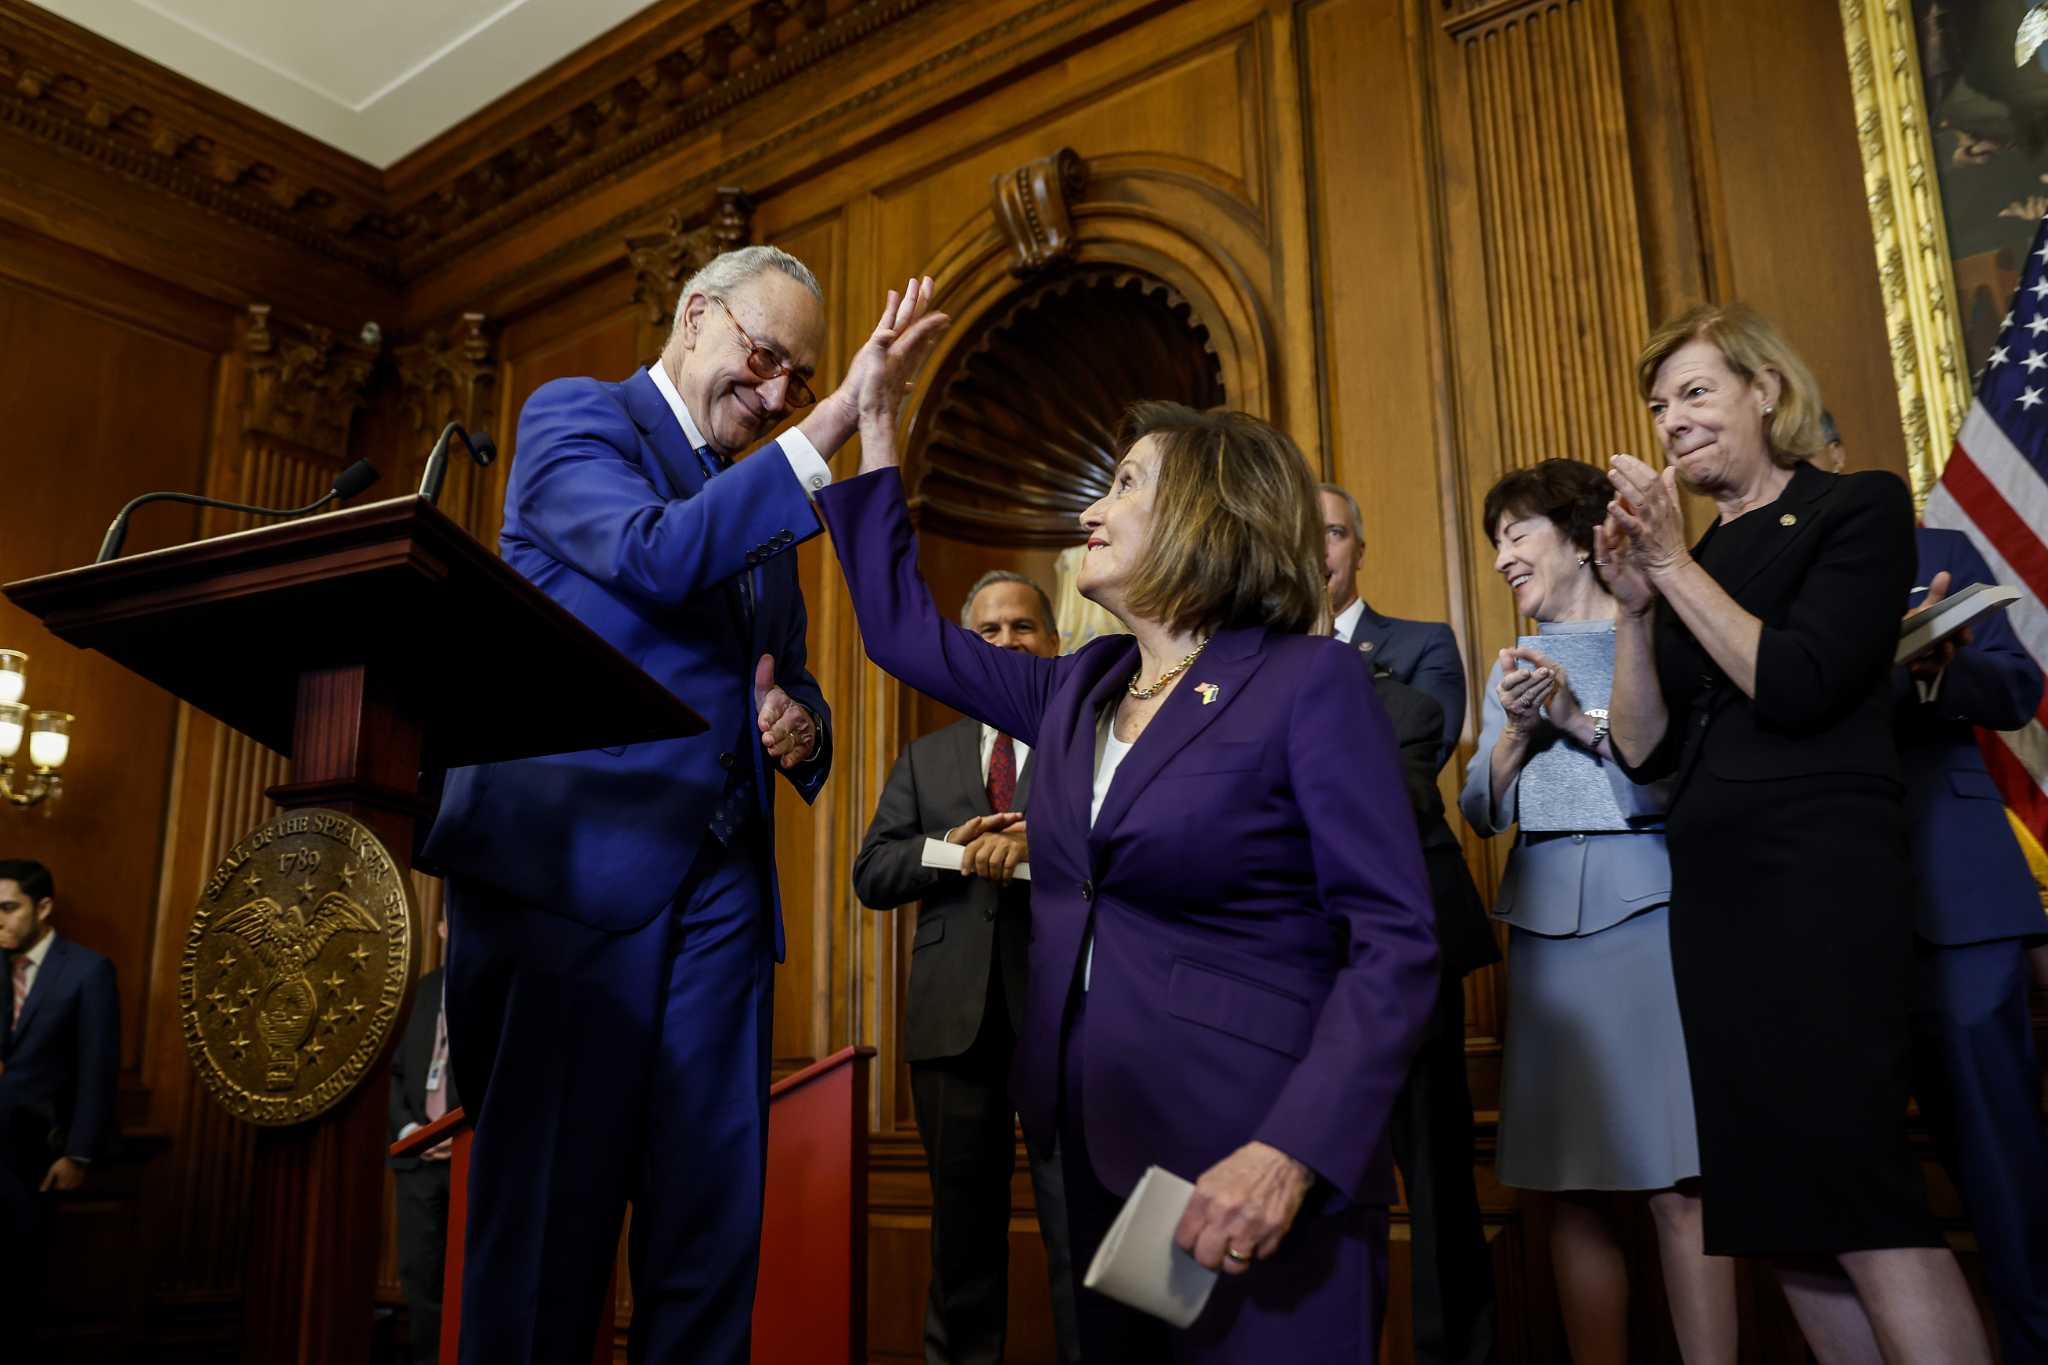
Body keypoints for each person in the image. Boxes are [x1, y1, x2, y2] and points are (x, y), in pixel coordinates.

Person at [817, 277, 1440, 1362]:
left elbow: (1392, 943)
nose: (1086, 513)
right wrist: (876, 423)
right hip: (1093, 1160)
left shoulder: (1307, 685)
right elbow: (902, 635)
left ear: (1204, 514)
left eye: (1119, 486)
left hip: (1251, 1156)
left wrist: (1289, 1151)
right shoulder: (1075, 687)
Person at [420, 245, 903, 1363]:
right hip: (570, 885)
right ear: (696, 318)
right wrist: (832, 420)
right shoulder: (574, 419)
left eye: (800, 375)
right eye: (765, 357)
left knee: (708, 1228)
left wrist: (803, 728)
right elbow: (652, 555)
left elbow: (789, 672)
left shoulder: (763, 497)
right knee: (545, 1231)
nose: (777, 390)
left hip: (725, 895)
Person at [1599, 301, 1990, 1362]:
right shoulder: (1690, 557)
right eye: (1655, 405)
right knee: (1779, 1219)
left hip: (1817, 887)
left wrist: (1672, 566)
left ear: (1763, 390)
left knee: (1860, 1203)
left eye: (1691, 393)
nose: (1668, 421)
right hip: (1717, 896)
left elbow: (1797, 681)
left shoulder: (1851, 507)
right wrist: (1634, 607)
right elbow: (1641, 750)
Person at [1460, 460, 1731, 1365]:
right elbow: (1478, 809)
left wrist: (1577, 722)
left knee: (1677, 1182)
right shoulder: (1511, 661)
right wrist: (1510, 733)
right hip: (1542, 937)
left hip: (1647, 920)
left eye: (1517, 533)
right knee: (1567, 1188)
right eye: (1494, 540)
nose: (1502, 555)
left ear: (1579, 536)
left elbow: (1671, 793)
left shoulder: (1652, 635)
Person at [853, 569, 1081, 1365]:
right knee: (961, 1247)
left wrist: (1034, 846)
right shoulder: (927, 757)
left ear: (1056, 645)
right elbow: (871, 871)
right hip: (953, 1030)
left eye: (1023, 627)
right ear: (961, 649)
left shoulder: (1089, 740)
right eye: (988, 630)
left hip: (1068, 1019)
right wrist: (956, 850)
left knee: (1079, 1236)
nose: (1007, 641)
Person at [1895, 527, 2048, 1360]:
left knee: (2005, 1173)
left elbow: (2017, 687)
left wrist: (1941, 668)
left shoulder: (1936, 552)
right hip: (1818, 909)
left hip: (1957, 898)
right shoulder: (1735, 572)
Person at [1367, 662, 1500, 1365]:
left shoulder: (1405, 707)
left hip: (1410, 965)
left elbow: (1392, 806)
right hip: (1282, 976)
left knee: (1438, 1191)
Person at [0, 859, 118, 1356]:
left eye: (8, 909)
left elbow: (98, 1067)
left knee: (14, 1290)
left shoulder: (87, 970)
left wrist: (79, 1154)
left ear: (43, 907)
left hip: (30, 1158)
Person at [1319, 482, 1467, 769]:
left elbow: (1420, 763)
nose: (1317, 548)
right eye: (1303, 534)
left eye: (1333, 533)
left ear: (1360, 553)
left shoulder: (1425, 644)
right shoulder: (1266, 652)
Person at [388, 917, 458, 1365]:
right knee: (421, 1276)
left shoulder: (495, 991)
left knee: (469, 1281)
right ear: (440, 930)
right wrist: (409, 1129)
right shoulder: (420, 992)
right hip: (415, 1161)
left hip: (469, 1161)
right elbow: (391, 1074)